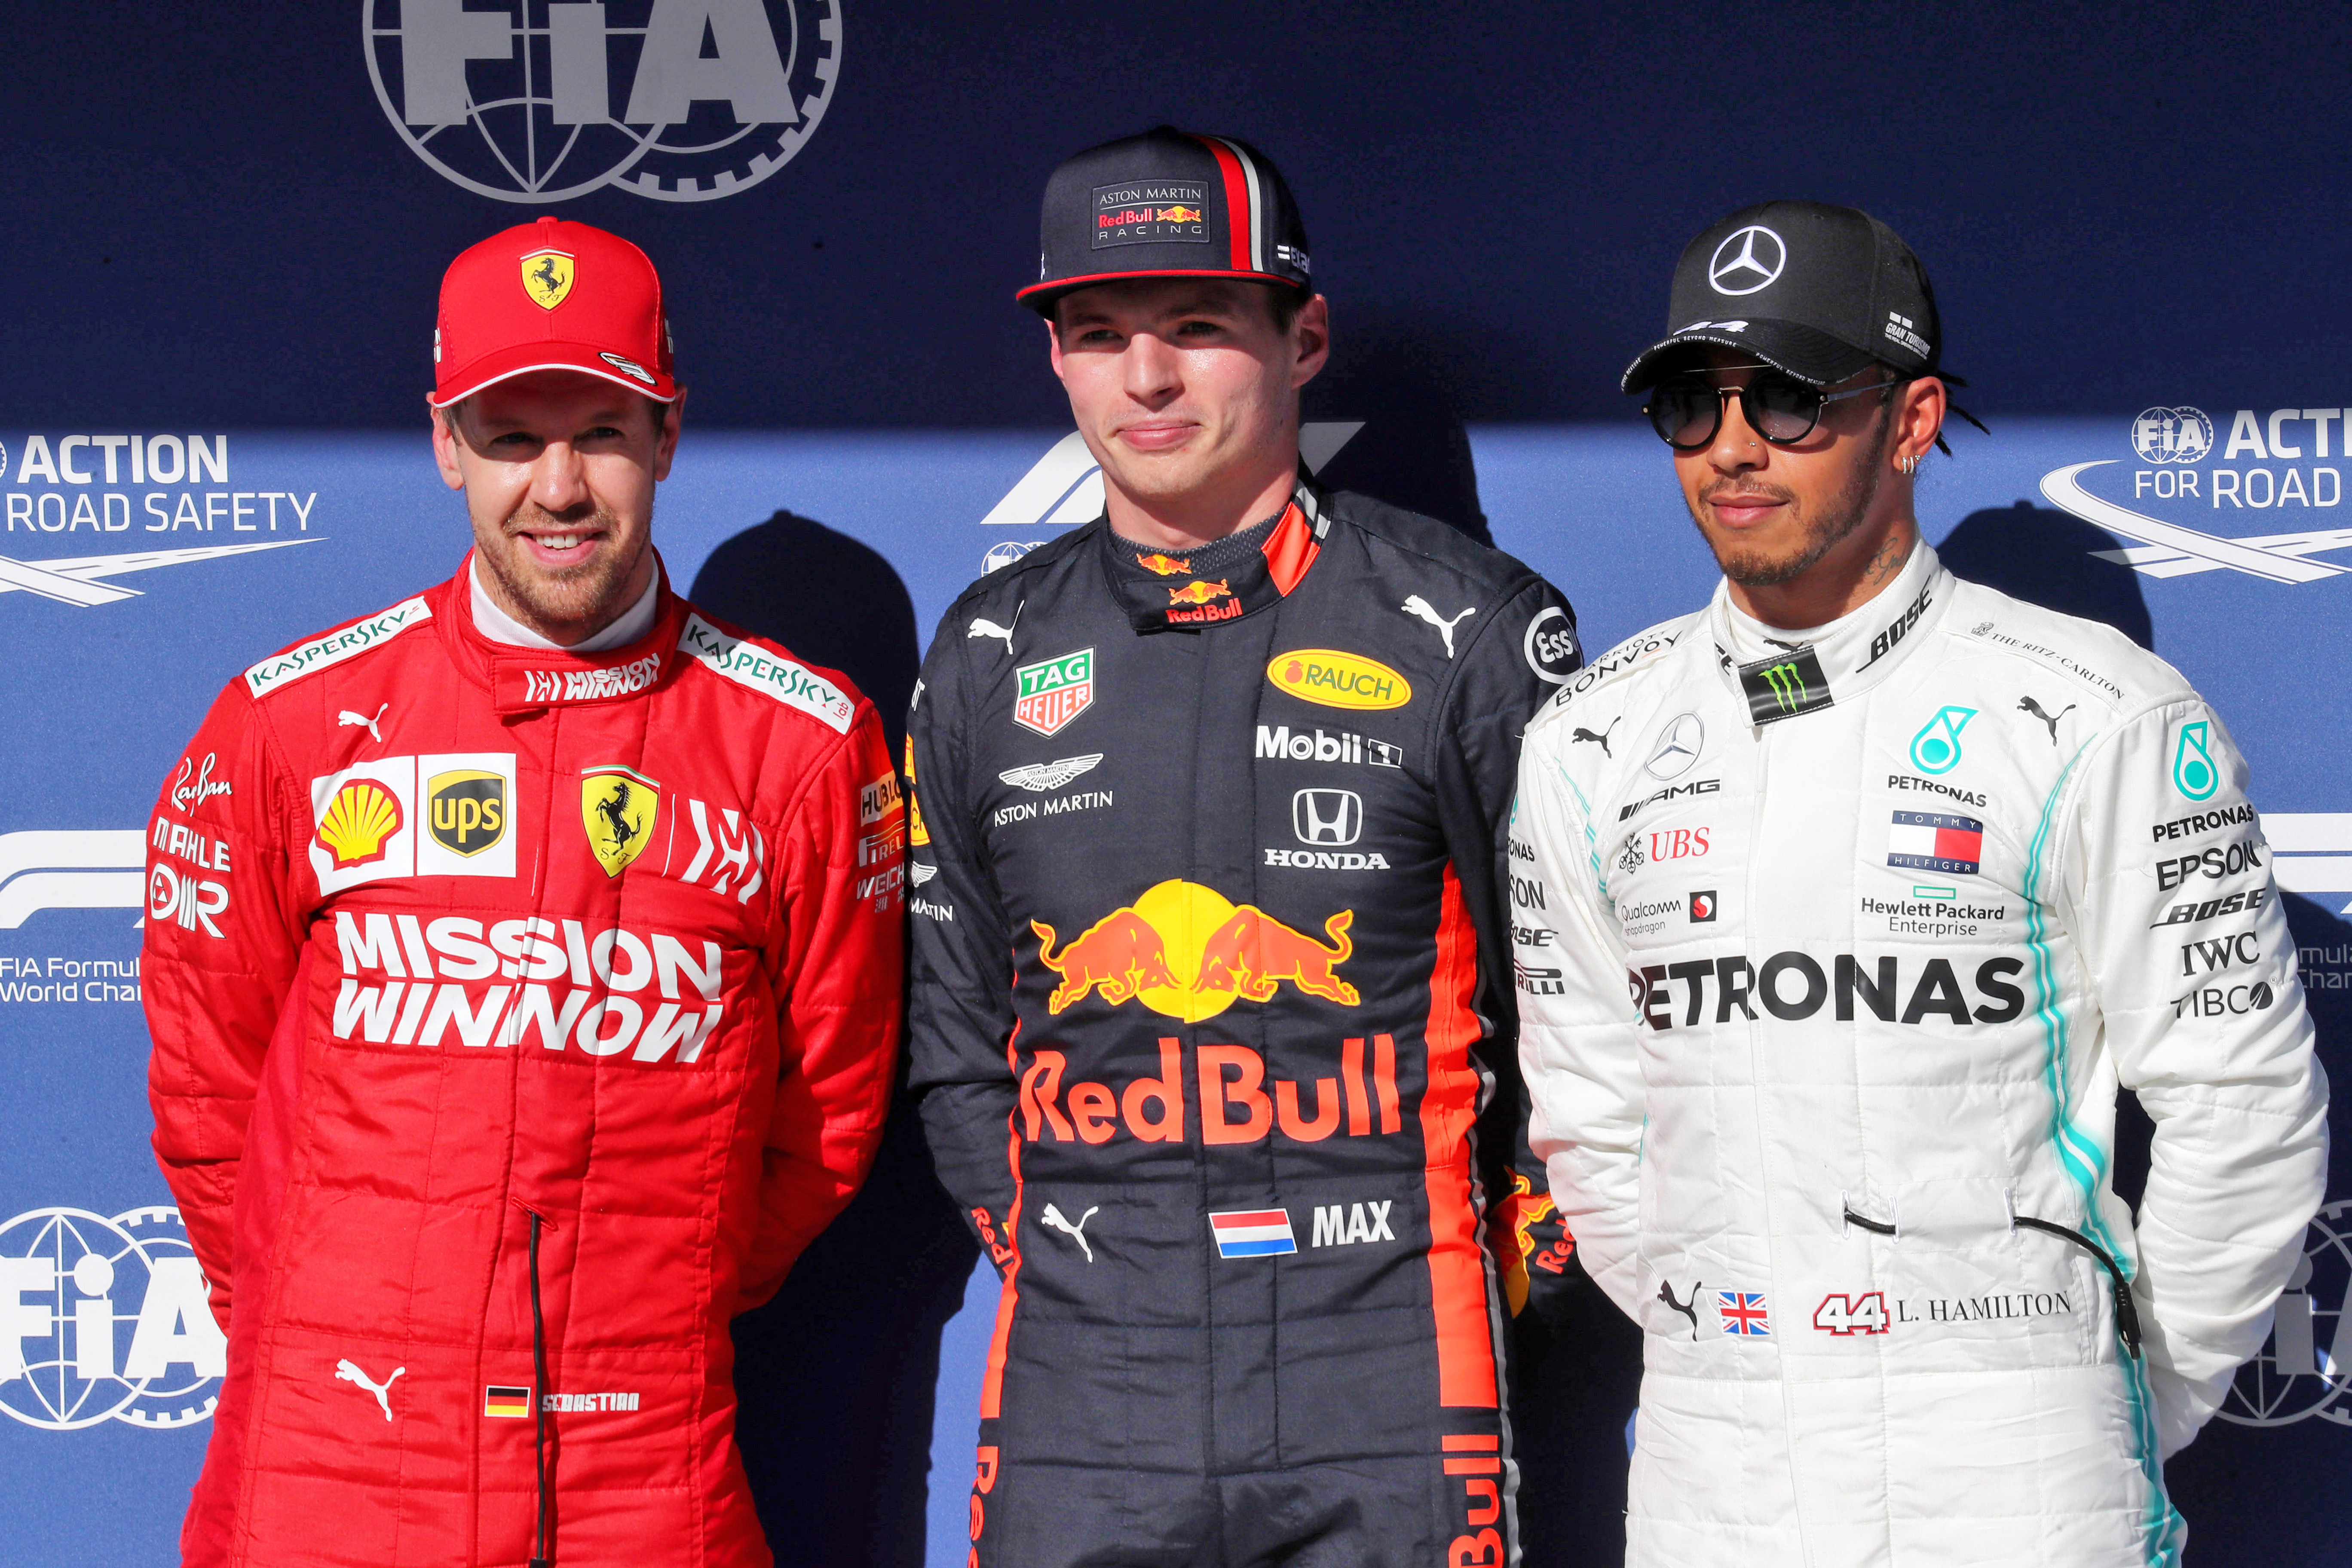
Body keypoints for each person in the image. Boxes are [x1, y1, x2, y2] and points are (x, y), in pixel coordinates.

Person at [1510, 200, 2330, 1565]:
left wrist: (2103, 1394)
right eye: (1691, 407)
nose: (1732, 447)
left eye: (1785, 398)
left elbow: (2243, 1110)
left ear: (1909, 419)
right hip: (1719, 1482)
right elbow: (1593, 1120)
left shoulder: (2101, 715)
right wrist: (1746, 1342)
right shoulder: (1589, 739)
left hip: (2022, 1478)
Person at [142, 216, 904, 1568]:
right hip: (328, 1463)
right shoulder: (291, 724)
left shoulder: (802, 742)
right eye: (511, 438)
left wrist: (639, 1296)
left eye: (602, 431)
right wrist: (345, 1312)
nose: (559, 487)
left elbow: (829, 1119)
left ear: (668, 436)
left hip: (642, 1471)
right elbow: (211, 1103)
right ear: (445, 446)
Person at [906, 125, 1584, 1566]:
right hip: (1089, 1389)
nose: (1146, 380)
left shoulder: (1468, 629)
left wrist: (1508, 1246)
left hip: (1394, 1376)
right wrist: (1079, 1253)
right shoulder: (985, 652)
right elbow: (955, 1033)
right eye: (1099, 335)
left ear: (1305, 337)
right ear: (1058, 361)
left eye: (1198, 328)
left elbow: (1577, 1012)